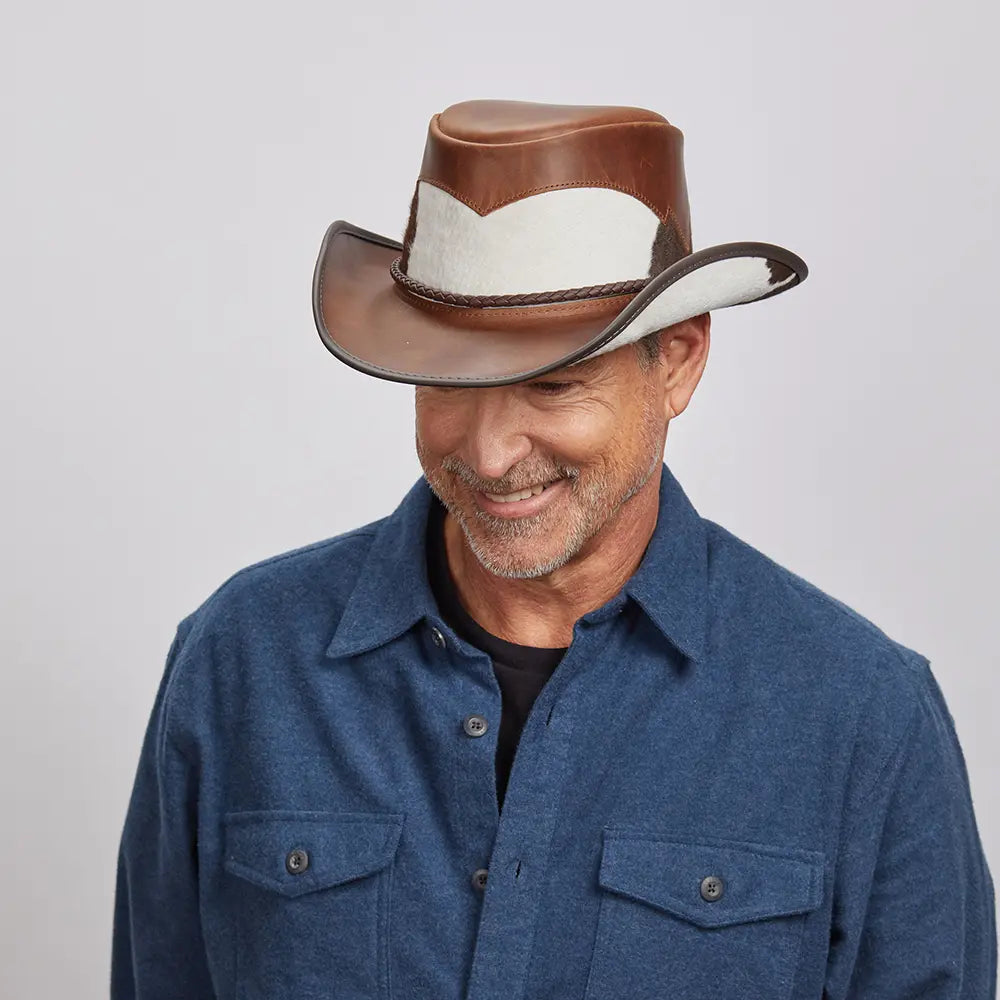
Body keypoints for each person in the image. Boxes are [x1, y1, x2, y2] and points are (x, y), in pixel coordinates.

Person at [111, 100, 996, 999]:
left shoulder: (861, 716)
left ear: (680, 362)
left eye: (553, 385)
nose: (490, 454)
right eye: (449, 380)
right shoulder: (238, 664)